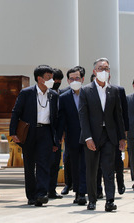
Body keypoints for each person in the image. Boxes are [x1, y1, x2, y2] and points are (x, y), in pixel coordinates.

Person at [79, 58, 126, 212]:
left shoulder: (114, 90)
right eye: (100, 68)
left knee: (108, 169)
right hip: (92, 136)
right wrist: (87, 137)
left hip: (109, 136)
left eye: (106, 68)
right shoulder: (86, 91)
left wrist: (121, 137)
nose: (103, 71)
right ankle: (92, 200)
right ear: (94, 71)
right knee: (92, 170)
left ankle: (110, 200)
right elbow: (83, 116)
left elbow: (118, 115)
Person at [9, 65, 59, 206]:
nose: (51, 80)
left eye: (52, 77)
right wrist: (13, 132)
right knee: (30, 165)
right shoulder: (26, 93)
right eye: (48, 77)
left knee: (44, 164)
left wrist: (55, 139)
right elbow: (16, 112)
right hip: (29, 132)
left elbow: (56, 118)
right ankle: (31, 195)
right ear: (39, 78)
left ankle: (41, 194)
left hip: (46, 132)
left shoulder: (53, 95)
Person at [57, 66, 88, 205]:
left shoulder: (89, 93)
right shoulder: (63, 97)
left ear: (82, 79)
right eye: (71, 79)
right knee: (75, 165)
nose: (74, 81)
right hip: (72, 136)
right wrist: (58, 137)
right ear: (68, 81)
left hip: (89, 136)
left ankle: (89, 190)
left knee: (88, 165)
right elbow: (61, 118)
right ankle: (79, 192)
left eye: (77, 78)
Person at [48, 68, 64, 199]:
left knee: (55, 164)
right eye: (55, 79)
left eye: (59, 80)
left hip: (57, 136)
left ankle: (51, 190)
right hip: (45, 134)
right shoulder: (45, 93)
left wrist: (60, 134)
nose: (57, 82)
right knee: (44, 163)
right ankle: (42, 189)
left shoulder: (61, 95)